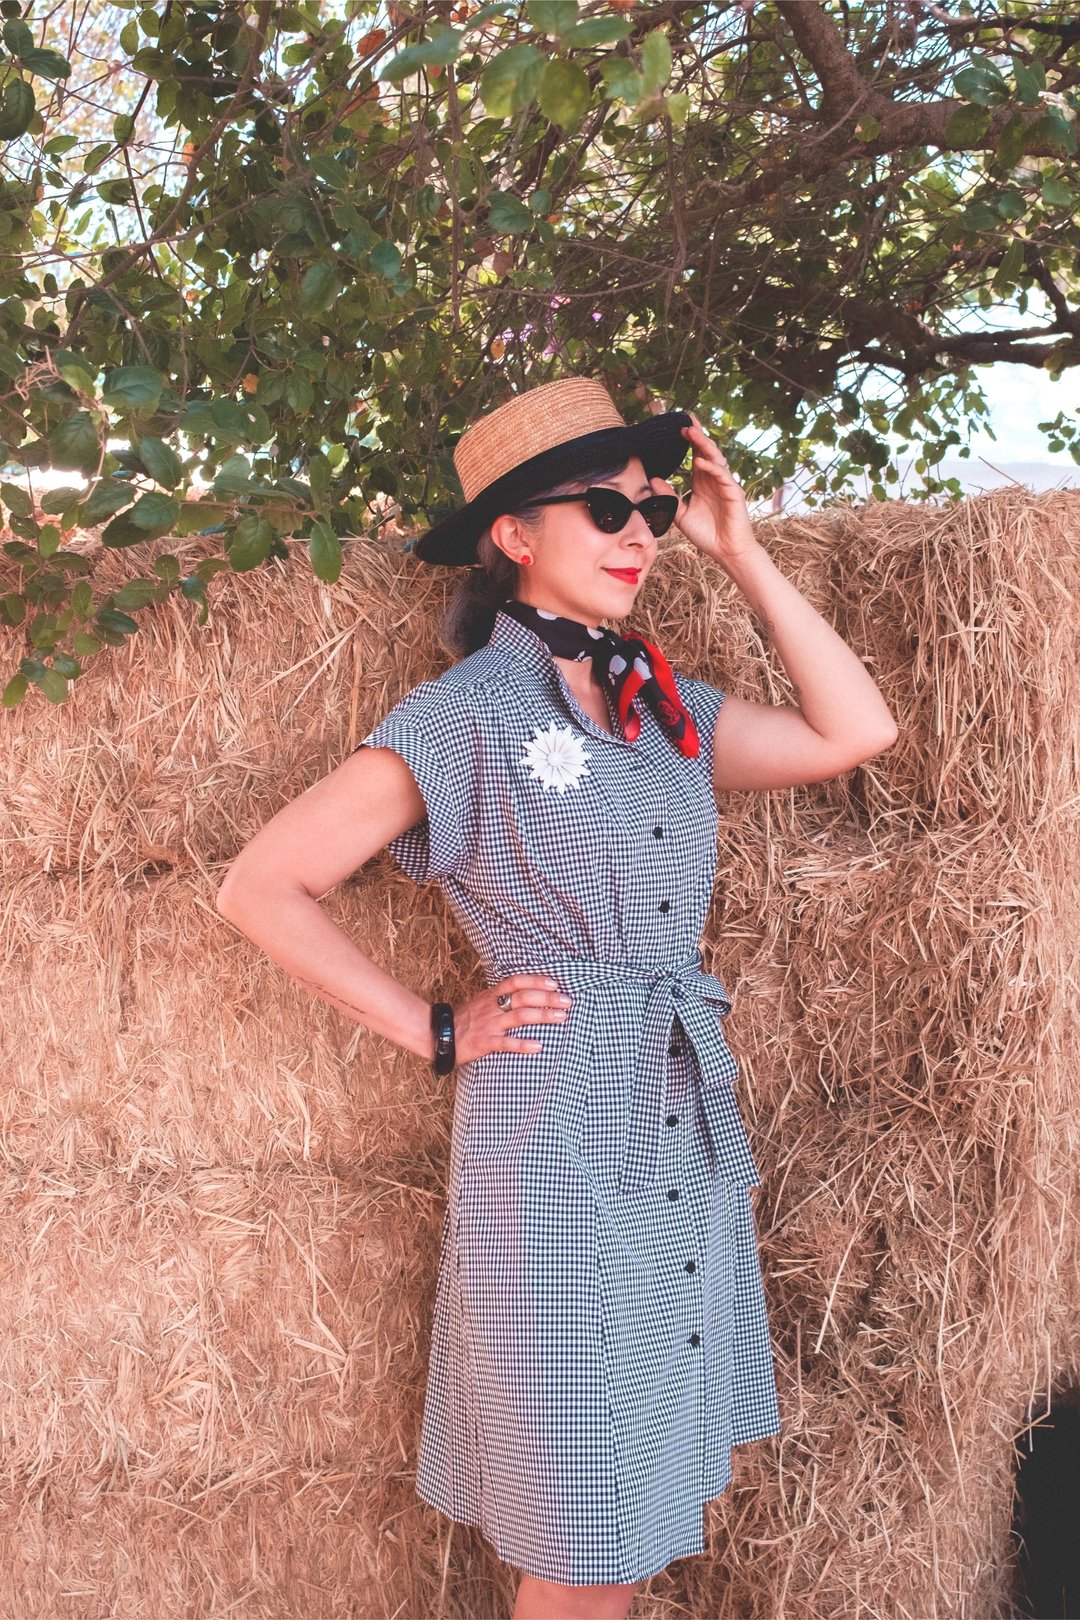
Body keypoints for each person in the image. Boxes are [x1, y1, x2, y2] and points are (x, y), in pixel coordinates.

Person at [215, 376, 898, 1620]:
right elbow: (263, 887)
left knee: (626, 1528)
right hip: (555, 1142)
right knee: (584, 1538)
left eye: (647, 506)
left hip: (677, 1128)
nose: (639, 532)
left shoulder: (664, 713)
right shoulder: (464, 717)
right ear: (515, 538)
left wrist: (740, 549)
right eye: (603, 507)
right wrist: (434, 1027)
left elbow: (854, 729)